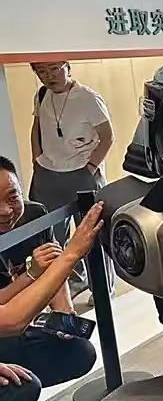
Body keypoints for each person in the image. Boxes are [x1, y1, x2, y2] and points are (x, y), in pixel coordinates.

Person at [0, 157, 98, 401]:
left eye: (12, 197)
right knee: (23, 387)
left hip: (19, 326)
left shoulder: (34, 216)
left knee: (80, 352)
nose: (5, 211)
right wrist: (34, 273)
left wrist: (63, 314)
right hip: (7, 325)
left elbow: (53, 267)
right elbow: (8, 317)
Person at [28, 61, 114, 298]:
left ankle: (102, 289)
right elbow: (36, 128)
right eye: (41, 71)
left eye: (54, 69)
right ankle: (74, 282)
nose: (49, 76)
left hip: (82, 173)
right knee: (52, 238)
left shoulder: (87, 97)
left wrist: (91, 167)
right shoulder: (42, 95)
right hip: (48, 175)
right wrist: (37, 160)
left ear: (67, 66)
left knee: (92, 234)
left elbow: (107, 136)